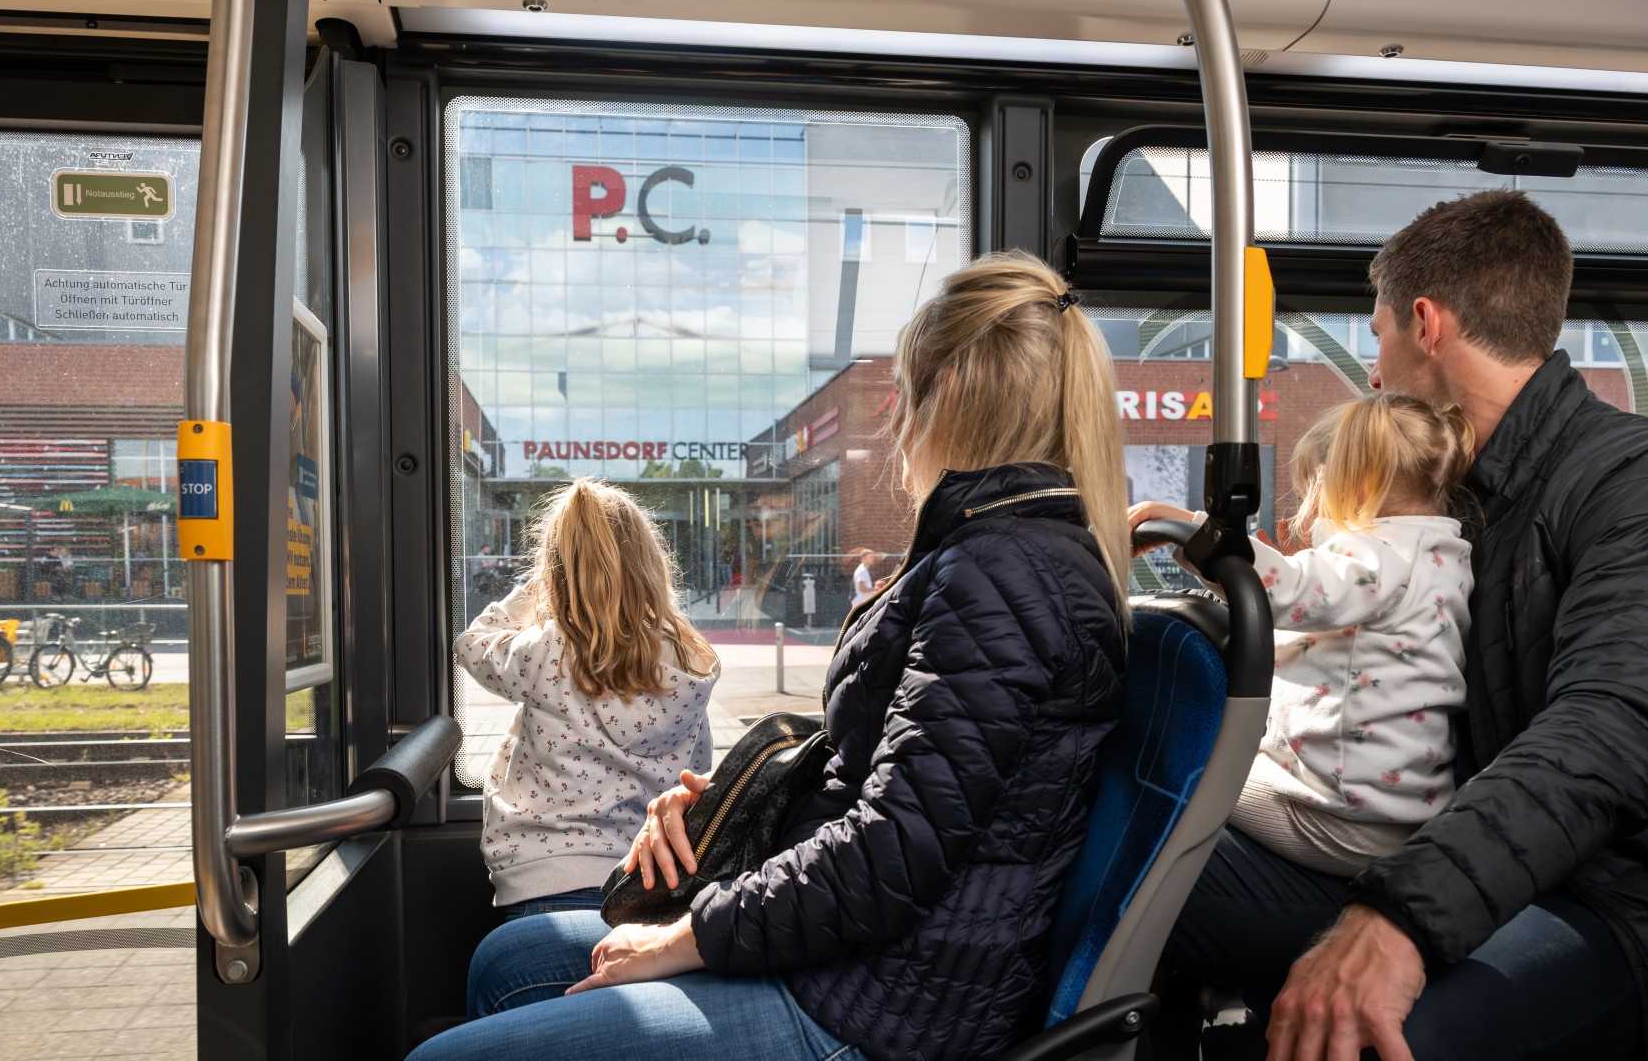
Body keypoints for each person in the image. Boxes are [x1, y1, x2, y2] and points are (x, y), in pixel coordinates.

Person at [407, 249, 1132, 1061]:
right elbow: (889, 776)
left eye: (905, 391)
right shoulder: (995, 557)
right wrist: (729, 804)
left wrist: (689, 937)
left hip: (881, 1005)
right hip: (862, 957)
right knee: (507, 959)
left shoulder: (1001, 570)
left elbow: (893, 850)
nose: (896, 420)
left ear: (951, 392)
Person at [1156, 189, 1648, 1061]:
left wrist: (1401, 917)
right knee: (1093, 863)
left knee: (1384, 1039)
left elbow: (1621, 724)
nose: (1372, 375)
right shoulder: (1433, 502)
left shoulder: (1646, 474)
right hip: (1423, 847)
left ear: (1425, 324)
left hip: (1607, 896)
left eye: (1376, 334)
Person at [1131, 393, 1476, 878]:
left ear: (1357, 488)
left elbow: (1284, 590)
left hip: (1339, 814)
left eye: (1313, 489)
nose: (1307, 511)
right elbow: (1338, 642)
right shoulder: (1438, 556)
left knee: (1177, 767)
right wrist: (1266, 582)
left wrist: (1189, 527)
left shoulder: (1379, 557)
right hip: (1392, 804)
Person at [454, 479, 720, 920]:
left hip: (544, 878)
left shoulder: (548, 649)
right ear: (650, 565)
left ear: (555, 573)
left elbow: (472, 643)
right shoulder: (687, 660)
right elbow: (697, 768)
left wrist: (534, 589)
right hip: (645, 882)